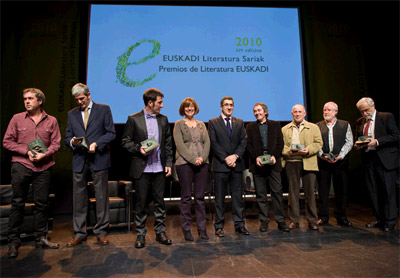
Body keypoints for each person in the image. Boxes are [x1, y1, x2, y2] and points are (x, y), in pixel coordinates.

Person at [3, 88, 61, 258]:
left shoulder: (51, 121)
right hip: (21, 165)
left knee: (42, 204)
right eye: (25, 99)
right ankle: (13, 242)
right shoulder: (17, 119)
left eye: (30, 99)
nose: (27, 101)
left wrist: (45, 154)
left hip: (43, 167)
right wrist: (25, 151)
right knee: (18, 202)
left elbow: (56, 144)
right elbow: (7, 141)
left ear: (40, 101)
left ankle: (40, 238)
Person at [65, 83, 116, 247]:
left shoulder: (104, 109)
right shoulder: (72, 114)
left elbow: (111, 133)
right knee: (79, 198)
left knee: (101, 196)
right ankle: (79, 233)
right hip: (79, 160)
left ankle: (101, 232)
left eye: (82, 98)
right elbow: (67, 138)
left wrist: (97, 144)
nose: (80, 102)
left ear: (88, 95)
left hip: (98, 158)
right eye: (77, 100)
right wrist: (72, 142)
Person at [121, 88, 173, 248]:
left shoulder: (163, 120)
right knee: (141, 203)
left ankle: (160, 233)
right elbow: (125, 141)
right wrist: (139, 149)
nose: (162, 106)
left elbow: (168, 144)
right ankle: (141, 235)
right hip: (142, 169)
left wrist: (169, 163)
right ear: (150, 103)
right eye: (159, 102)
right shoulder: (134, 119)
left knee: (160, 203)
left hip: (159, 168)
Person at [355, 97, 399, 232]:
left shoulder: (386, 117)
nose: (364, 114)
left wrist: (378, 141)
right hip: (369, 159)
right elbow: (360, 138)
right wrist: (358, 145)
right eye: (361, 112)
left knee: (388, 191)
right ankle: (379, 218)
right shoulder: (360, 122)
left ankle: (390, 221)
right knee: (373, 191)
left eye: (366, 110)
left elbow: (395, 135)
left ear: (373, 105)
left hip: (384, 159)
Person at [208, 96, 249, 237]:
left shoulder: (240, 122)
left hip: (236, 166)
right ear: (221, 107)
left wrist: (235, 156)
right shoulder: (213, 122)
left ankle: (240, 225)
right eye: (226, 105)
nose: (229, 107)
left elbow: (243, 141)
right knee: (219, 198)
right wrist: (226, 158)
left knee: (238, 197)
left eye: (231, 105)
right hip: (220, 166)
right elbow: (213, 143)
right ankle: (219, 226)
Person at [246, 103, 290, 232]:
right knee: (261, 195)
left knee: (277, 193)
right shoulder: (250, 127)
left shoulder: (275, 125)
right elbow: (249, 145)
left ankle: (280, 221)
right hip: (258, 164)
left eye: (259, 110)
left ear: (265, 112)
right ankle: (264, 221)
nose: (257, 113)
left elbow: (280, 143)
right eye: (254, 111)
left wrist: (274, 156)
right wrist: (256, 158)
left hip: (273, 164)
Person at [173, 97, 210, 241]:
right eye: (187, 107)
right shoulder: (178, 124)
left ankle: (202, 229)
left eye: (192, 106)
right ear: (183, 109)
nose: (190, 109)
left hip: (202, 163)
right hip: (184, 163)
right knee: (186, 197)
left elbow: (207, 143)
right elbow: (180, 145)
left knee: (200, 197)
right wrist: (193, 159)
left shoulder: (201, 124)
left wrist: (202, 158)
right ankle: (187, 229)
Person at [281, 104, 323, 230]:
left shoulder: (313, 127)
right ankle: (294, 220)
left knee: (310, 193)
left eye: (300, 112)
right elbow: (281, 146)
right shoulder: (285, 129)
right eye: (295, 112)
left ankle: (312, 220)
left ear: (304, 113)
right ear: (292, 114)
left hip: (308, 161)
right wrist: (289, 151)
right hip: (292, 162)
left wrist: (308, 149)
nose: (297, 114)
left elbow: (319, 143)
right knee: (293, 193)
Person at [316, 102, 353, 227]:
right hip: (323, 162)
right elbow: (316, 143)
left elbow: (349, 142)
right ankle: (323, 217)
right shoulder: (318, 125)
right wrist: (322, 155)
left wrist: (341, 156)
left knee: (341, 191)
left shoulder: (345, 124)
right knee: (323, 192)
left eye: (329, 110)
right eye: (324, 110)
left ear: (335, 111)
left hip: (340, 163)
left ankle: (341, 217)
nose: (326, 112)